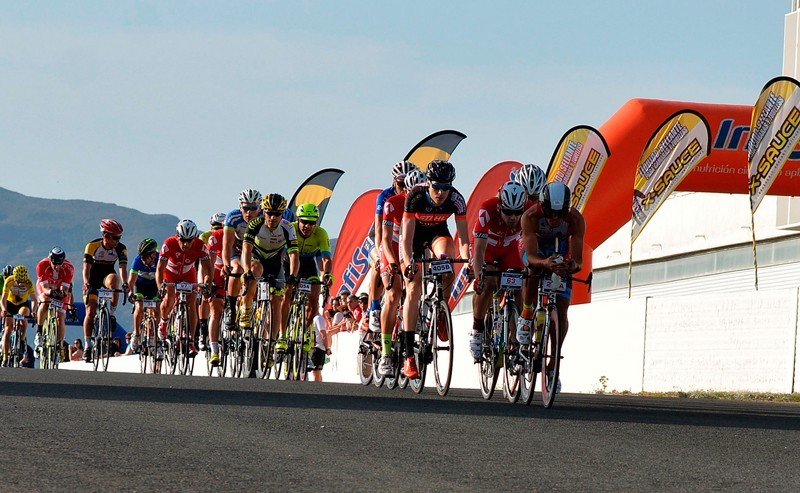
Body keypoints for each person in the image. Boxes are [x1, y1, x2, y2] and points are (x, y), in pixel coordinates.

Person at [400, 160, 469, 379]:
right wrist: (409, 261)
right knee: (413, 287)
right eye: (436, 187)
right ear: (428, 183)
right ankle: (409, 355)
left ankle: (441, 312)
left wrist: (467, 262)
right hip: (414, 236)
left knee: (448, 262)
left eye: (445, 188)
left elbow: (464, 241)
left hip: (438, 233)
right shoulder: (416, 196)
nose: (440, 193)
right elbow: (406, 237)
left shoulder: (457, 200)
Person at [520, 181, 585, 394]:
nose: (555, 218)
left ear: (567, 209)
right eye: (549, 212)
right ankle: (527, 314)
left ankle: (553, 366)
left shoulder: (576, 219)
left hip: (561, 247)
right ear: (542, 206)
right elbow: (530, 256)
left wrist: (570, 266)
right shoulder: (529, 216)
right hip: (536, 247)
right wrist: (544, 263)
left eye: (560, 213)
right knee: (533, 270)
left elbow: (577, 260)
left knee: (563, 310)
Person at [468, 181, 528, 361]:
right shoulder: (487, 209)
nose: (513, 217)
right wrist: (479, 277)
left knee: (520, 284)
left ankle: (514, 338)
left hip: (508, 249)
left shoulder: (529, 212)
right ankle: (477, 330)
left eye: (517, 213)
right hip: (487, 248)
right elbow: (478, 251)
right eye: (508, 212)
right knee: (489, 283)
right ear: (500, 206)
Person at [377, 167, 426, 375]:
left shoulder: (425, 203)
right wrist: (391, 263)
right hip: (392, 246)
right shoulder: (391, 203)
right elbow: (385, 240)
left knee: (417, 285)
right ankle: (386, 354)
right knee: (394, 293)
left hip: (411, 246)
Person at [240, 194, 299, 355]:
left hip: (274, 262)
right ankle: (246, 309)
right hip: (256, 257)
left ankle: (271, 342)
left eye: (277, 214)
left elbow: (294, 255)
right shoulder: (255, 223)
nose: (272, 217)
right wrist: (246, 271)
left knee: (277, 301)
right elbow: (246, 249)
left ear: (282, 214)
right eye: (269, 213)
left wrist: (292, 276)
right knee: (255, 271)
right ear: (263, 212)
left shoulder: (288, 227)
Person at [367, 161, 417, 334]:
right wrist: (382, 256)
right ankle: (374, 307)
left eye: (407, 183)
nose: (403, 187)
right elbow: (380, 229)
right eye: (400, 183)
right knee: (377, 263)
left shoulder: (414, 196)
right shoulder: (385, 196)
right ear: (394, 181)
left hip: (401, 237)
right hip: (378, 235)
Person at [156, 220, 213, 356]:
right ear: (177, 237)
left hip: (188, 273)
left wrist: (207, 283)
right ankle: (163, 322)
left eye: (189, 240)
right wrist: (160, 287)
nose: (186, 244)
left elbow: (208, 269)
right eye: (183, 240)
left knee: (191, 304)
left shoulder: (200, 245)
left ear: (194, 238)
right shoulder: (169, 244)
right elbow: (159, 269)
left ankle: (190, 340)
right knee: (169, 299)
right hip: (170, 273)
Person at [281, 203, 333, 329]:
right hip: (289, 262)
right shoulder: (289, 228)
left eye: (312, 223)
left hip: (308, 264)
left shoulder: (321, 233)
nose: (307, 226)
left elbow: (326, 259)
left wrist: (327, 275)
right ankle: (283, 331)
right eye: (304, 221)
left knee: (314, 298)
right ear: (298, 220)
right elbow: (280, 253)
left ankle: (304, 331)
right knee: (287, 293)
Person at [82, 219, 128, 362]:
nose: (117, 240)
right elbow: (86, 269)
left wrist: (125, 283)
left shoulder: (121, 248)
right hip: (93, 277)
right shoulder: (92, 246)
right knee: (90, 312)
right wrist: (86, 283)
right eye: (115, 237)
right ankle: (88, 346)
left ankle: (112, 314)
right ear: (105, 236)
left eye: (119, 237)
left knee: (115, 281)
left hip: (107, 274)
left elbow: (122, 268)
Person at [222, 189, 264, 332]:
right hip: (237, 247)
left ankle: (249, 305)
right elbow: (227, 245)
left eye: (253, 208)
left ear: (260, 207)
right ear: (240, 207)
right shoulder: (233, 217)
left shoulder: (265, 217)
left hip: (255, 249)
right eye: (246, 208)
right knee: (236, 269)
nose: (249, 212)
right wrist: (226, 264)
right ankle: (231, 307)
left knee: (255, 270)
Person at [34, 247, 75, 356]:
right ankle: (39, 333)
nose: (57, 267)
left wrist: (62, 294)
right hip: (46, 288)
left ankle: (59, 345)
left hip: (59, 288)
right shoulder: (42, 265)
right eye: (55, 264)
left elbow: (66, 290)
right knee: (45, 300)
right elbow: (45, 289)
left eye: (59, 264)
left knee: (60, 317)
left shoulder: (69, 268)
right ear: (50, 259)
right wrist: (52, 293)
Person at [197, 212, 226, 351]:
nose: (217, 229)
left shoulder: (227, 235)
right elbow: (205, 264)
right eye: (215, 227)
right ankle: (203, 331)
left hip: (222, 267)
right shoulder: (205, 237)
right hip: (205, 266)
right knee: (204, 294)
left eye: (220, 226)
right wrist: (205, 283)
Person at [127, 238, 159, 352]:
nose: (143, 259)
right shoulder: (137, 261)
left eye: (145, 256)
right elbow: (131, 281)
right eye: (142, 256)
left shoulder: (159, 259)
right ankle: (136, 334)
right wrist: (131, 293)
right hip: (140, 286)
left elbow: (164, 278)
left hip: (154, 286)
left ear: (153, 254)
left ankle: (153, 335)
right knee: (139, 307)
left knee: (157, 308)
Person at [205, 214, 228, 366]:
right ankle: (214, 349)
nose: (220, 230)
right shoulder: (212, 237)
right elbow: (208, 263)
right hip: (216, 271)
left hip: (233, 273)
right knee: (216, 310)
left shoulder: (239, 235)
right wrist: (209, 281)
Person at [1, 265, 35, 366]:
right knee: (7, 330)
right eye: (18, 282)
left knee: (24, 315)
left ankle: (22, 337)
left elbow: (34, 299)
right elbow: (3, 299)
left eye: (22, 282)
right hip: (10, 304)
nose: (20, 284)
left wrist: (34, 311)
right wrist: (4, 310)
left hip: (22, 304)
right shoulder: (9, 281)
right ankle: (5, 357)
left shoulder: (29, 282)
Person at [307, 306, 331, 382]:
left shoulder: (318, 318)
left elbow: (323, 334)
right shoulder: (313, 318)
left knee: (316, 371)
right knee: (316, 371)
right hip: (314, 347)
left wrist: (327, 348)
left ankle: (317, 389)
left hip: (318, 348)